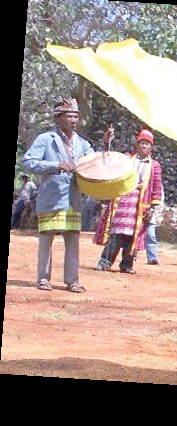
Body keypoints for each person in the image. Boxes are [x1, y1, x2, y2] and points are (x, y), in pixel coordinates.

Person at [22, 97, 107, 292]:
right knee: (46, 239)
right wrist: (54, 165)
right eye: (70, 115)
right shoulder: (46, 139)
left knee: (72, 240)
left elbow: (94, 162)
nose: (74, 119)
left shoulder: (83, 144)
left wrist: (105, 145)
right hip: (52, 197)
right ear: (58, 118)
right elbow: (28, 161)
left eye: (76, 115)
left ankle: (72, 281)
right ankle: (43, 279)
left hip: (73, 199)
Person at [93, 129, 163, 274]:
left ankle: (127, 265)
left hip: (140, 204)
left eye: (146, 144)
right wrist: (107, 141)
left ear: (151, 148)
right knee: (116, 233)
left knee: (132, 236)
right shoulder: (127, 159)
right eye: (141, 143)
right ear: (137, 145)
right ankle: (104, 262)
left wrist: (152, 208)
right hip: (122, 202)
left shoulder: (154, 166)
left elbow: (156, 186)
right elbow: (110, 160)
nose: (143, 146)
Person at [144, 183, 165, 265]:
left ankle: (152, 259)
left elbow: (159, 200)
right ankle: (131, 257)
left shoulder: (156, 184)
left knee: (151, 236)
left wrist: (152, 210)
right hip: (136, 211)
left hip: (150, 214)